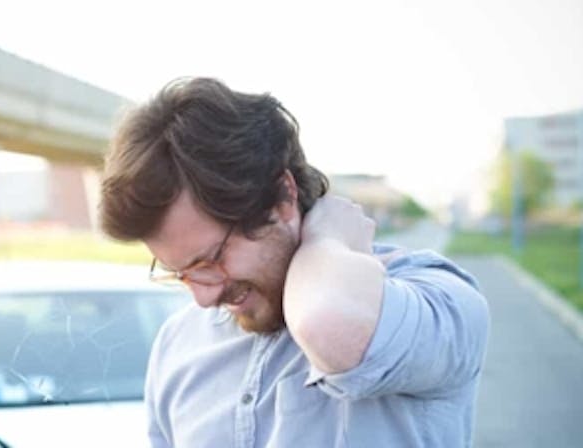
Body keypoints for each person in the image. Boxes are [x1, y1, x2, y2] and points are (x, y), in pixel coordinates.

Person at [99, 77, 489, 447]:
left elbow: (332, 328)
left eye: (212, 259)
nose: (203, 298)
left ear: (282, 198)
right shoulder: (177, 343)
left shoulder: (437, 299)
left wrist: (326, 238)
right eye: (180, 272)